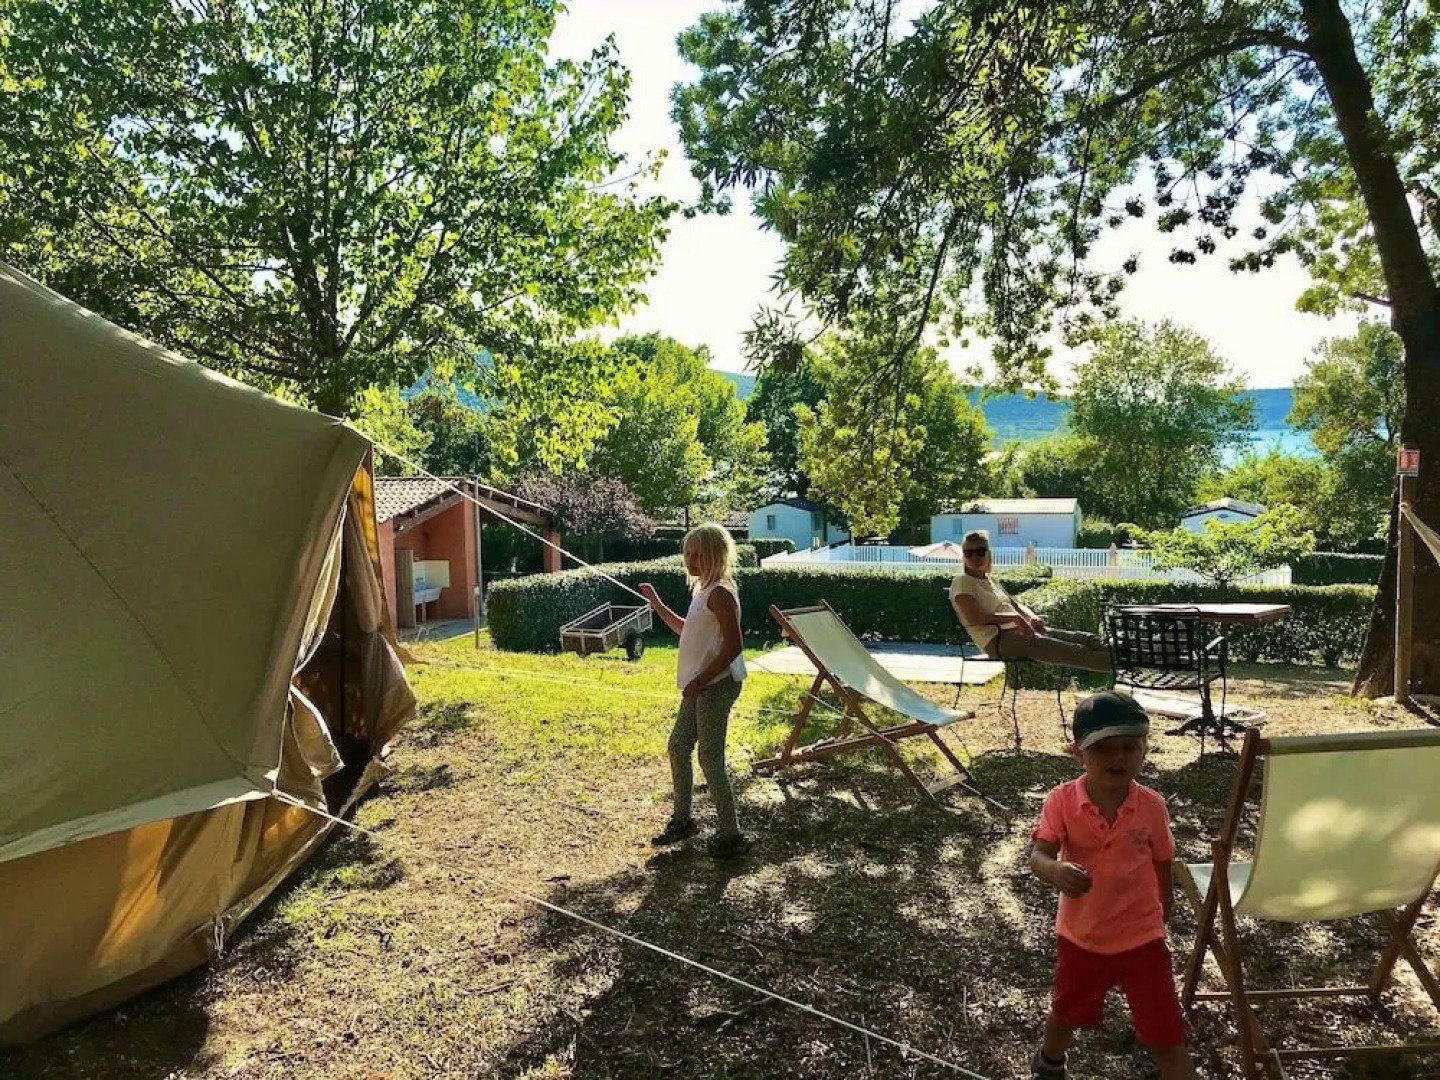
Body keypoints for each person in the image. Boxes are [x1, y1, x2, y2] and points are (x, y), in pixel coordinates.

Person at [1028, 691, 1198, 1080]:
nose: (1118, 757)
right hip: (1082, 936)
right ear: (1078, 753)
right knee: (1067, 1012)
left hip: (1142, 939)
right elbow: (1038, 855)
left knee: (1165, 1032)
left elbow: (1161, 865)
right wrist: (1055, 871)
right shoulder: (1061, 802)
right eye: (1103, 748)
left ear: (1144, 750)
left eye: (1128, 747)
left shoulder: (1152, 806)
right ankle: (1050, 1062)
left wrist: (1161, 918)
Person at [638, 522, 750, 859]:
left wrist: (701, 681)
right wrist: (657, 604)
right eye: (687, 553)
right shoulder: (702, 590)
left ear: (716, 556)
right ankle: (683, 820)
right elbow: (688, 631)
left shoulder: (720, 593)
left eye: (699, 554)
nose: (691, 559)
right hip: (698, 687)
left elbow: (734, 646)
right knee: (678, 746)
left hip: (717, 686)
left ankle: (732, 835)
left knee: (709, 757)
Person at [948, 530, 1110, 671]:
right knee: (1077, 651)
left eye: (980, 551)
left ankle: (1129, 654)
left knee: (1085, 639)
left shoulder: (990, 580)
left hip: (1018, 631)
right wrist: (1016, 619)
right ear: (964, 556)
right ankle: (1128, 663)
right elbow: (974, 619)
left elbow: (1015, 605)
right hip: (999, 640)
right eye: (969, 553)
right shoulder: (963, 581)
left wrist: (1031, 617)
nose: (974, 556)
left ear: (988, 553)